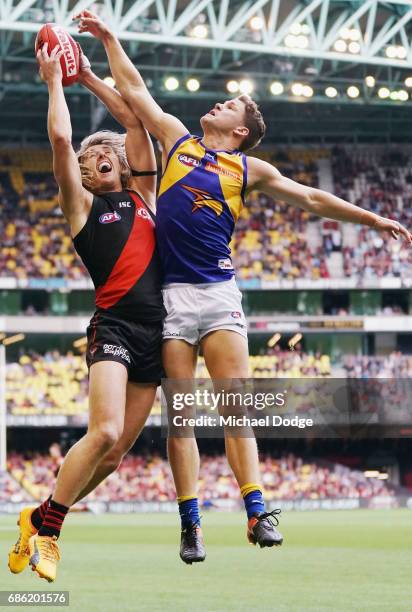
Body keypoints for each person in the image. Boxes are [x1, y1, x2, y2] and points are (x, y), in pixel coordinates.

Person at [75, 10, 412, 565]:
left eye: (228, 105)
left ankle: (257, 511)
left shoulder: (248, 169)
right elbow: (134, 91)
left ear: (239, 131)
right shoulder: (177, 143)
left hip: (218, 295)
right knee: (180, 417)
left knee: (238, 409)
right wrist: (110, 38)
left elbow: (313, 199)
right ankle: (191, 524)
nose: (218, 103)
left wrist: (371, 220)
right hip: (173, 302)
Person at [8, 43, 162, 582]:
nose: (84, 165)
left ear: (115, 163)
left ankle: (43, 515)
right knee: (102, 432)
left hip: (156, 335)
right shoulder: (82, 207)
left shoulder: (146, 193)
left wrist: (91, 74)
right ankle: (49, 534)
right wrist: (55, 81)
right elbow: (59, 139)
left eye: (94, 159)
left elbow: (135, 118)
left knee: (117, 453)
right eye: (81, 164)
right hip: (114, 324)